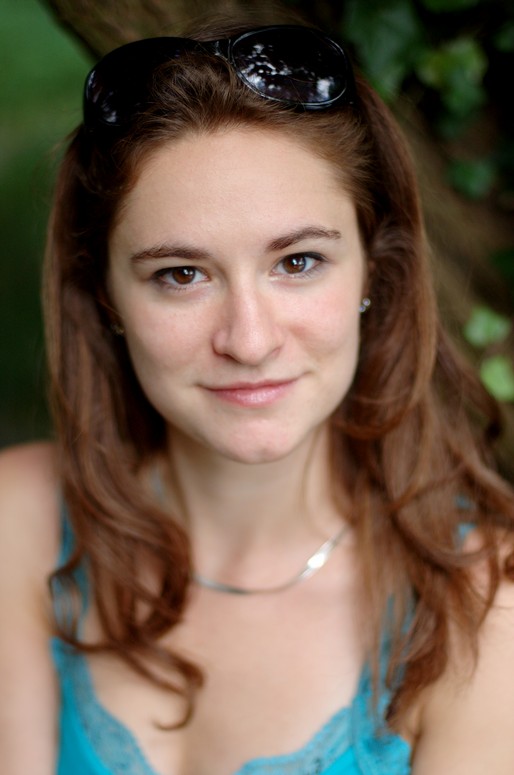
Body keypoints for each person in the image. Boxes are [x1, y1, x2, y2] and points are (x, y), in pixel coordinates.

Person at [1, 11, 514, 775]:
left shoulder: (484, 608)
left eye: (298, 262)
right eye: (181, 274)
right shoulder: (19, 523)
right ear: (105, 294)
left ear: (374, 271)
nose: (248, 339)